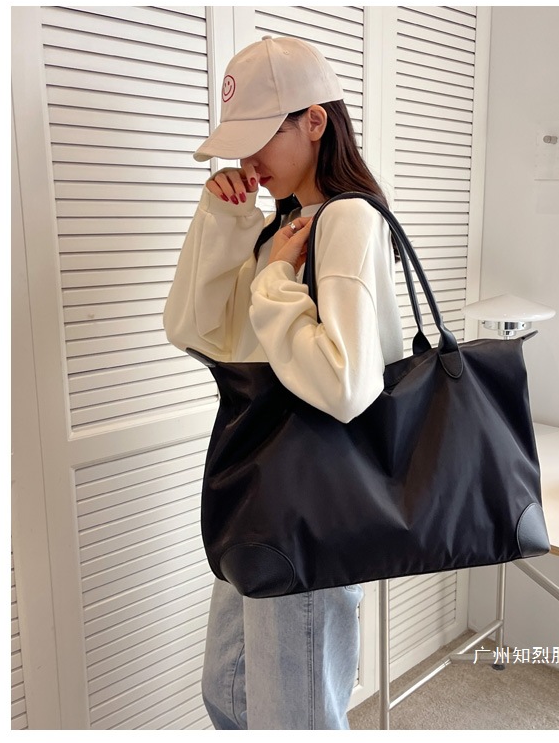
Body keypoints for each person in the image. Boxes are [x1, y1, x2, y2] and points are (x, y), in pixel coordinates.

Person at [163, 36, 403, 730]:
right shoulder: (284, 227)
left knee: (294, 719)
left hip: (312, 503)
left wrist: (273, 284)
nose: (248, 163)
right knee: (230, 693)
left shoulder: (348, 218)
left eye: (260, 139)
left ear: (315, 121)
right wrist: (225, 222)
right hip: (263, 491)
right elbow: (193, 331)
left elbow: (347, 386)